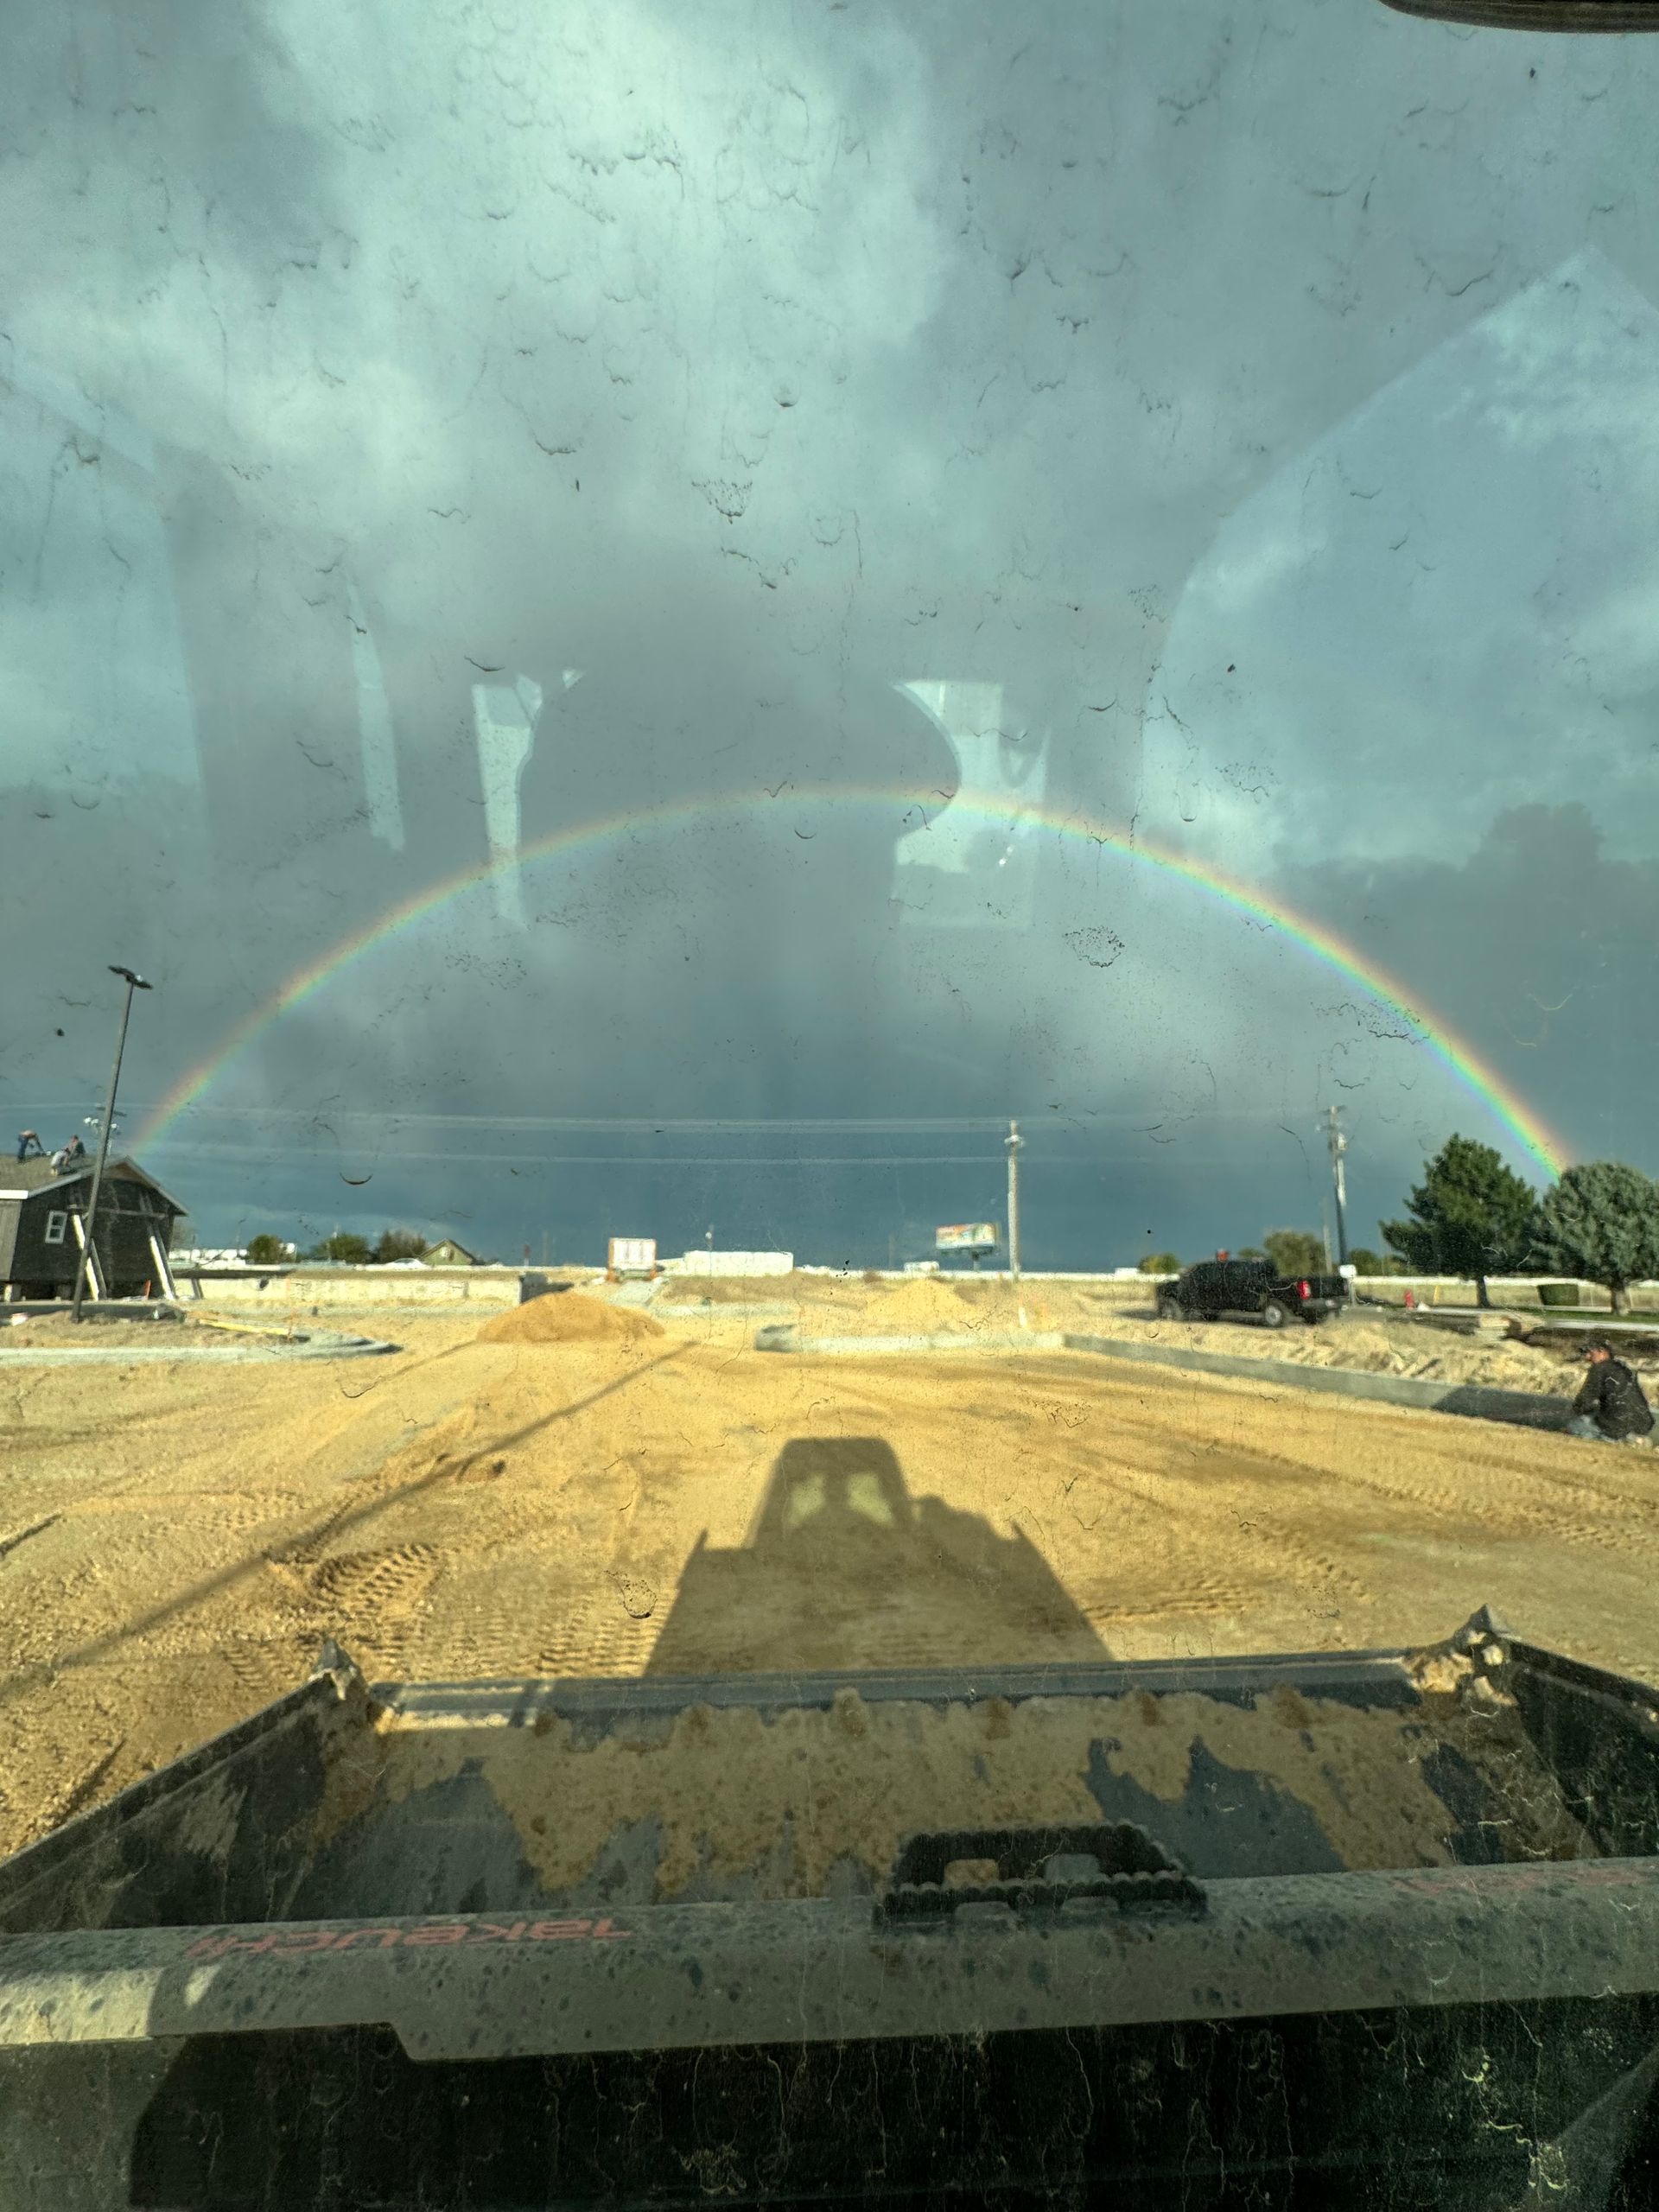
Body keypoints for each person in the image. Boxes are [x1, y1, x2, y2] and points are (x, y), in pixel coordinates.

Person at [1567, 1337, 1655, 1446]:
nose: (1587, 1357)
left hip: (1617, 1426)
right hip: (1644, 1424)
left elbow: (1584, 1401)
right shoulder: (1626, 1369)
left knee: (1576, 1425)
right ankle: (1636, 1438)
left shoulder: (1600, 1369)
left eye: (1590, 1352)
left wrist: (1576, 1411)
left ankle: (1617, 1439)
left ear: (1602, 1352)